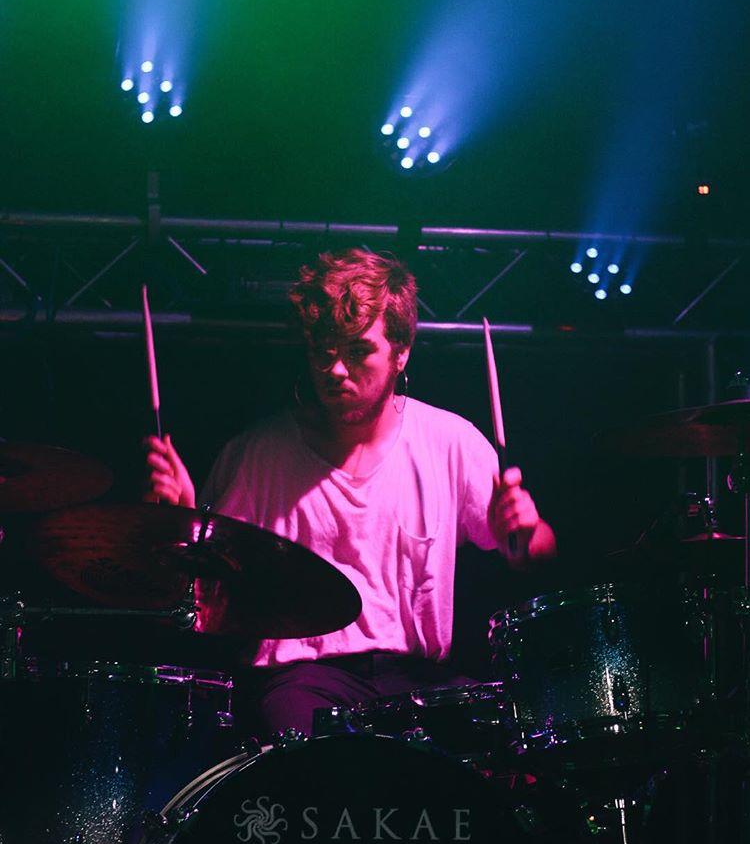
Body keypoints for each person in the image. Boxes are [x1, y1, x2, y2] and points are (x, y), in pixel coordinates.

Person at [144, 249, 556, 735]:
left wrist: (525, 533)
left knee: (509, 734)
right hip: (303, 679)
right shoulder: (256, 454)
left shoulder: (451, 442)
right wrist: (182, 524)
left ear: (401, 352)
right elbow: (203, 600)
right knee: (317, 755)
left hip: (418, 680)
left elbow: (535, 554)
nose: (336, 370)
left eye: (358, 352)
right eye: (324, 351)